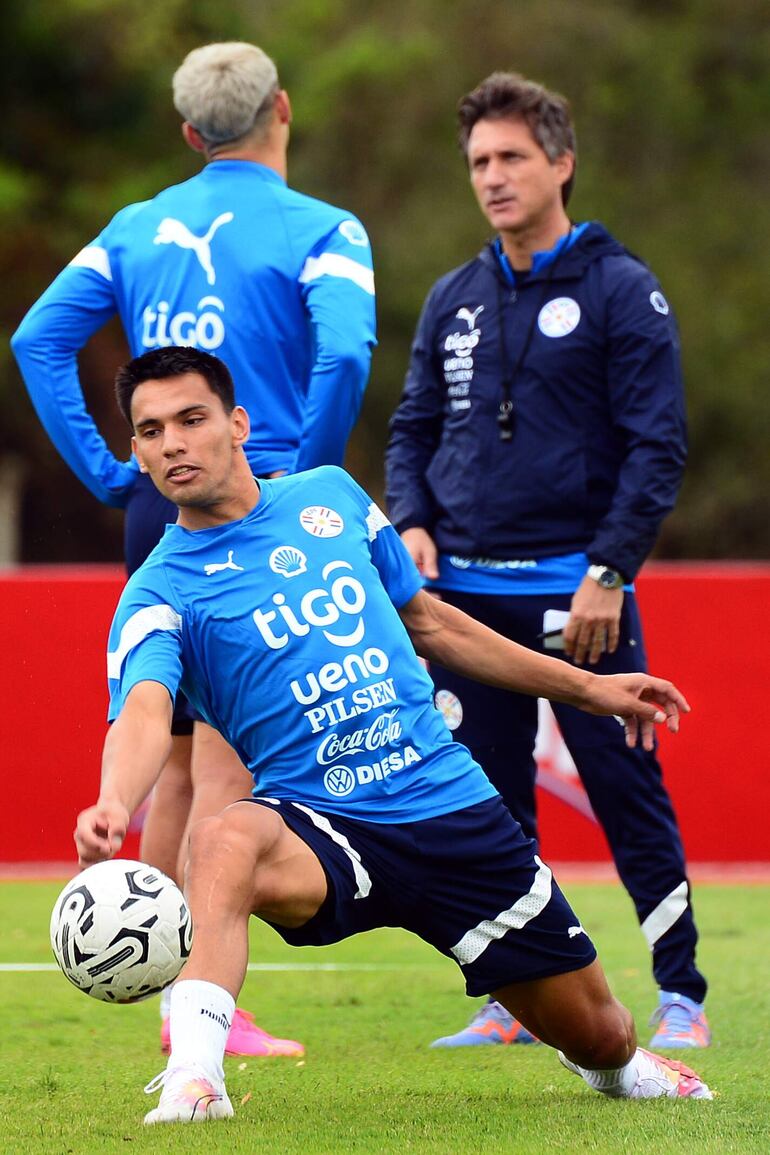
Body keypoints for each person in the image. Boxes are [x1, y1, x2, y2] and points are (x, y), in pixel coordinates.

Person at [74, 346, 712, 1124]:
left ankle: (620, 1068)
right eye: (150, 430)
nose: (172, 442)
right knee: (221, 840)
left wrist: (589, 688)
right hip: (321, 826)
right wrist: (114, 798)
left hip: (451, 809)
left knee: (602, 1034)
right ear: (137, 454)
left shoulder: (332, 498)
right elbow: (144, 706)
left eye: (190, 418)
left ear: (237, 424)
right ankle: (194, 1079)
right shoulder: (158, 590)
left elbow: (432, 622)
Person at [12, 41, 376, 1056]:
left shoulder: (133, 228)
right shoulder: (325, 229)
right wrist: (306, 476)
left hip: (153, 515)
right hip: (253, 507)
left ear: (188, 134)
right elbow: (345, 351)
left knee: (177, 765)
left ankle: (171, 984)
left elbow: (36, 340)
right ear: (283, 112)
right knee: (223, 768)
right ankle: (201, 1008)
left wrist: (104, 466)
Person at [385, 71, 709, 1052]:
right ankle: (511, 1002)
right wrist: (408, 521)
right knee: (482, 808)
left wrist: (608, 569)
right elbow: (411, 428)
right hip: (464, 604)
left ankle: (679, 997)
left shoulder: (620, 288)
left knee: (626, 794)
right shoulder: (454, 295)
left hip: (582, 597)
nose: (491, 177)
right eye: (478, 161)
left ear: (559, 163)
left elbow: (657, 444)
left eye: (510, 157)